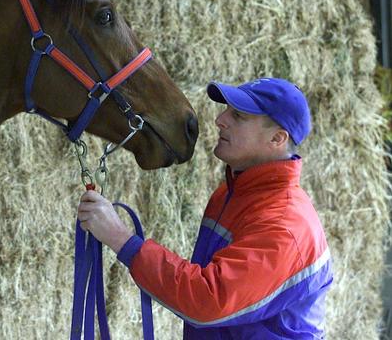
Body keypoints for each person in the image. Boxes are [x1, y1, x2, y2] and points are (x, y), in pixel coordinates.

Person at [77, 78, 333, 339]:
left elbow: (208, 300)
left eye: (239, 116)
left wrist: (121, 239)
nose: (220, 120)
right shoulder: (232, 194)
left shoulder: (284, 226)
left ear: (277, 138)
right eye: (226, 110)